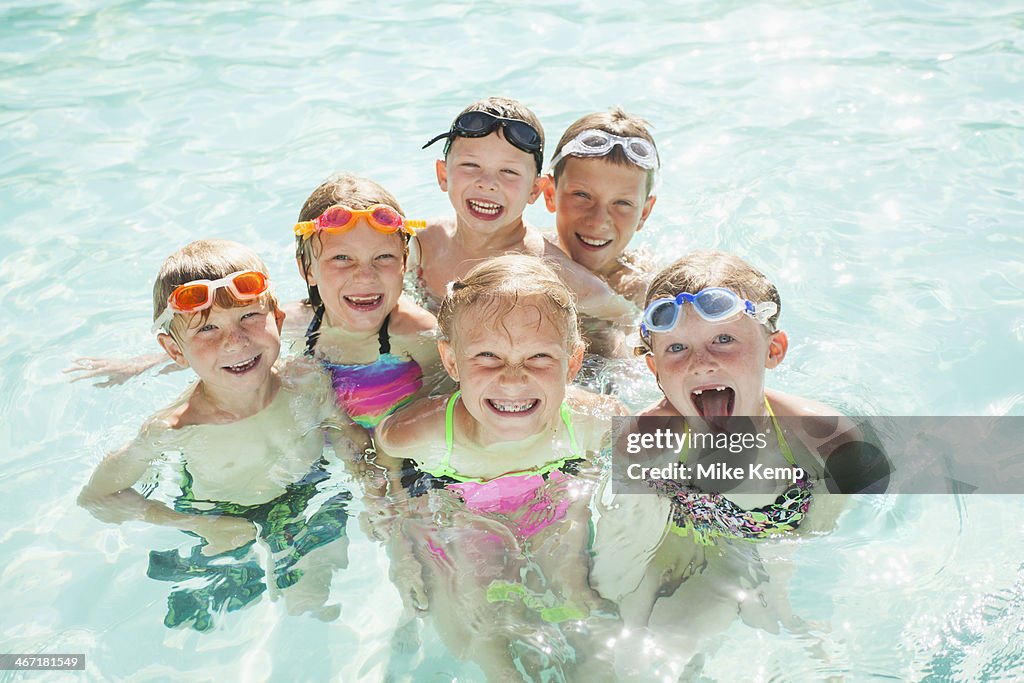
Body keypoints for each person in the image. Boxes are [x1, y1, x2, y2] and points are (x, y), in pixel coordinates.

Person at [78, 239, 363, 628]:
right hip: (221, 516)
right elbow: (96, 497)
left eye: (249, 316)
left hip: (306, 494)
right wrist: (196, 525)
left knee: (310, 600)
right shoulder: (174, 429)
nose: (236, 341)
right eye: (208, 328)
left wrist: (380, 489)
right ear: (175, 352)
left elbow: (347, 435)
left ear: (277, 320)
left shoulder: (308, 380)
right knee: (220, 617)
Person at [374, 254, 623, 679]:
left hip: (554, 506)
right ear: (451, 362)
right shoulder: (426, 433)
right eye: (488, 357)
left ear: (574, 362)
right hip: (463, 511)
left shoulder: (590, 421)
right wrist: (402, 540)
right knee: (480, 622)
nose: (513, 379)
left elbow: (621, 465)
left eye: (539, 358)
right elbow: (386, 454)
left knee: (578, 599)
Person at [410, 96, 635, 327]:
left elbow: (624, 323)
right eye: (470, 165)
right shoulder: (422, 243)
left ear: (534, 190)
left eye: (508, 171)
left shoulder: (558, 277)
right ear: (443, 174)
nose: (487, 183)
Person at [294, 172, 443, 432]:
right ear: (308, 269)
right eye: (342, 258)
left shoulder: (419, 336)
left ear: (404, 263)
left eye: (383, 257)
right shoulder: (292, 325)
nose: (365, 275)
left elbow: (440, 409)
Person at [541, 108, 660, 307]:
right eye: (582, 195)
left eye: (622, 203)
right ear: (550, 195)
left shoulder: (643, 292)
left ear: (644, 213)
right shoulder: (526, 252)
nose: (598, 221)